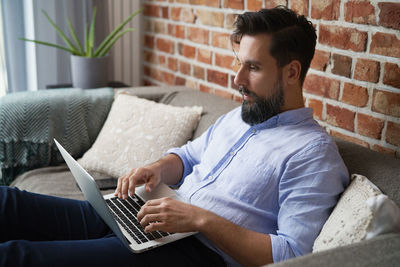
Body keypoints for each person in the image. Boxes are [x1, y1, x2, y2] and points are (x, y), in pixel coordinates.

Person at [0, 6, 349, 267]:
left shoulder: (313, 155)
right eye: (238, 62)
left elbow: (295, 254)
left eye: (253, 68)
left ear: (292, 72)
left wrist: (199, 219)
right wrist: (158, 167)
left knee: (18, 257)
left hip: (192, 253)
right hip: (150, 216)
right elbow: (189, 157)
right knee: (8, 203)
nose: (237, 79)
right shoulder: (240, 115)